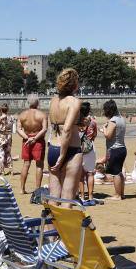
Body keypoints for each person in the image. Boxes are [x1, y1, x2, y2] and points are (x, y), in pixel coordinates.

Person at [47, 69, 84, 205]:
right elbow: (67, 129)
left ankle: (50, 220)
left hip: (53, 147)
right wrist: (63, 155)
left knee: (53, 197)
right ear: (75, 84)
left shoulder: (53, 101)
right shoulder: (74, 102)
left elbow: (56, 124)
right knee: (67, 199)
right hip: (70, 149)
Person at [16, 95, 47, 194]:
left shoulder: (22, 115)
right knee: (39, 165)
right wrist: (35, 138)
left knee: (26, 164)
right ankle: (37, 189)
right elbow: (44, 129)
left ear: (28, 103)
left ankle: (22, 189)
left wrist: (27, 138)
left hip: (27, 140)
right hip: (38, 140)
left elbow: (18, 129)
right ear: (37, 103)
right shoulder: (42, 115)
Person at [99, 99, 127, 201]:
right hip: (122, 148)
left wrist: (103, 129)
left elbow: (108, 135)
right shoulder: (121, 119)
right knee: (119, 171)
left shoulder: (113, 121)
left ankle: (117, 195)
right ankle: (121, 193)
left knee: (115, 173)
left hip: (115, 149)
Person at [78, 102, 98, 201]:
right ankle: (90, 196)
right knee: (90, 173)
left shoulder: (77, 122)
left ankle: (82, 196)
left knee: (80, 175)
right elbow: (95, 135)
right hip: (90, 148)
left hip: (78, 148)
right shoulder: (92, 122)